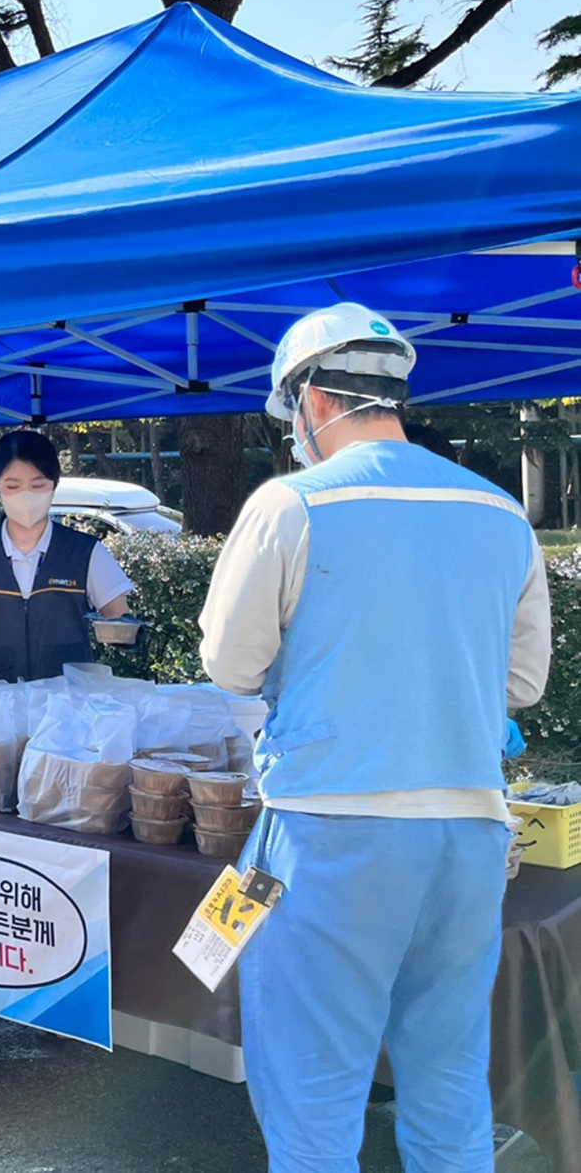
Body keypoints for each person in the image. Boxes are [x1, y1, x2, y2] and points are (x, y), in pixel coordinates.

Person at [197, 301, 550, 1172]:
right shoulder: (504, 514)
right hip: (468, 836)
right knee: (448, 1081)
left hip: (328, 831)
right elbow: (521, 684)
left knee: (315, 1093)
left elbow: (230, 664)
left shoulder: (290, 504)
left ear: (312, 400)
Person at [0, 430, 133, 684]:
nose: (26, 495)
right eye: (12, 486)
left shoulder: (85, 552)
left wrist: (125, 632)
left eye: (37, 486)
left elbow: (122, 621)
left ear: (54, 484)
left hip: (66, 706)